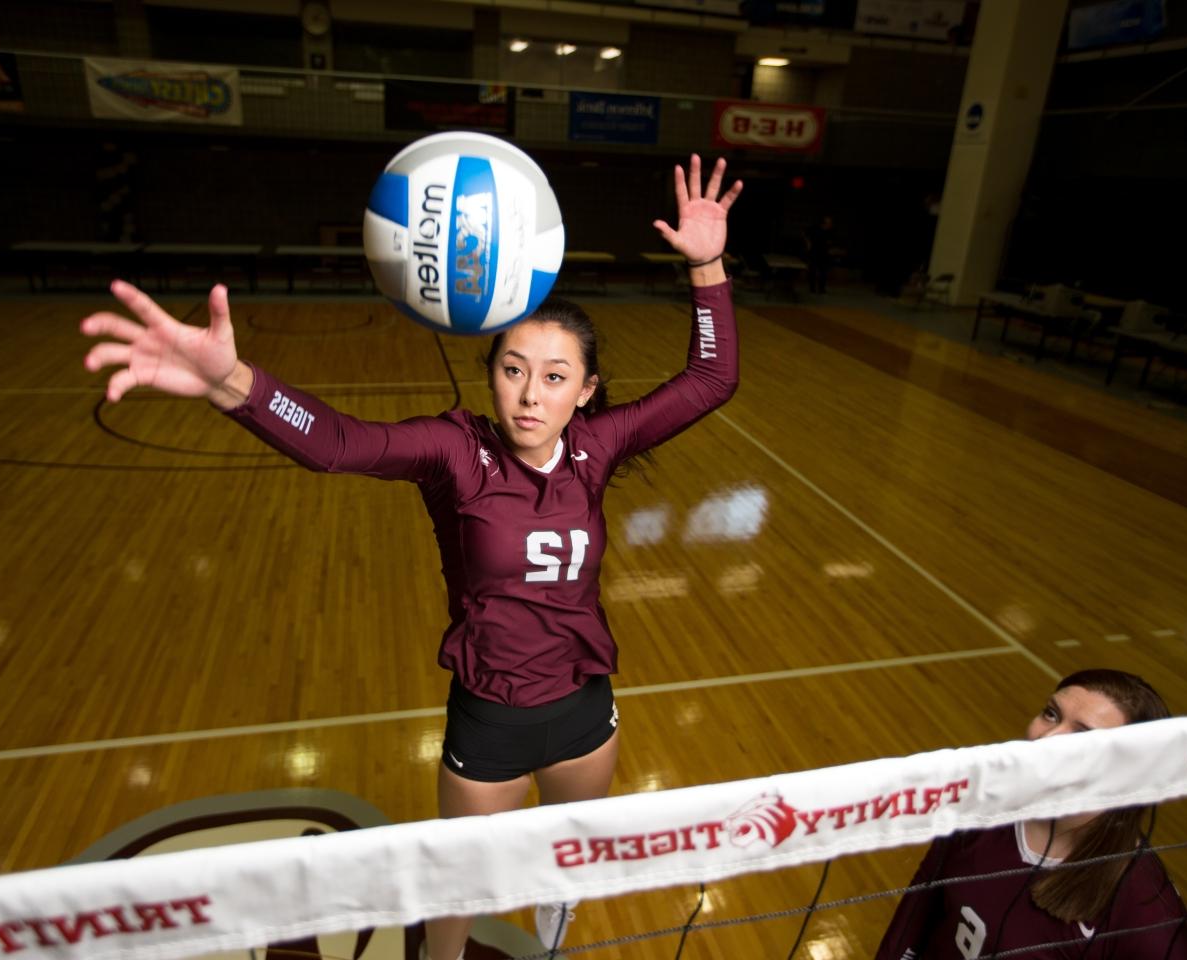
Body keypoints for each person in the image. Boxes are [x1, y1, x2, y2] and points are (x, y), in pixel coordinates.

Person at [80, 155, 743, 960]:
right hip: (490, 725)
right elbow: (336, 445)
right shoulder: (455, 452)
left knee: (567, 863)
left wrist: (706, 265)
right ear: (490, 373)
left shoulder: (596, 450)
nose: (530, 395)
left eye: (555, 377)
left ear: (587, 390)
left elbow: (712, 378)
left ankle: (555, 939)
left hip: (584, 713)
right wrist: (235, 384)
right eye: (512, 370)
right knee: (454, 899)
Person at [875, 669, 1187, 960]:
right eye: (1051, 714)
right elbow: (917, 914)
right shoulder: (984, 810)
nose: (1049, 739)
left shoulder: (1147, 917)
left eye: (1083, 736)